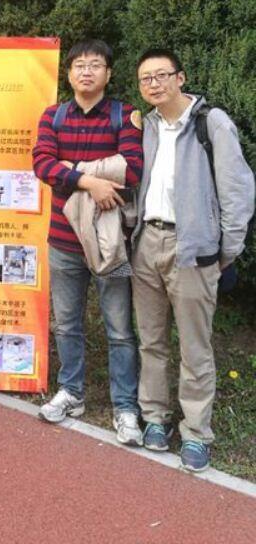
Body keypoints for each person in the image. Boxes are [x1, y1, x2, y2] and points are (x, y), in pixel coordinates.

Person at [131, 48, 254, 472]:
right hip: (146, 243)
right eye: (146, 78)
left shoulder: (211, 122)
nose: (154, 84)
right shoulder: (146, 125)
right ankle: (155, 416)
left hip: (193, 248)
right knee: (151, 340)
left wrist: (226, 249)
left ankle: (196, 432)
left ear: (180, 78)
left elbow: (237, 190)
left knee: (195, 346)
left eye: (161, 75)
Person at [32, 39, 144, 445]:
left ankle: (125, 406)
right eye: (79, 65)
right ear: (68, 74)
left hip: (110, 243)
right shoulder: (53, 115)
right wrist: (93, 181)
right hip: (63, 241)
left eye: (95, 65)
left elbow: (132, 170)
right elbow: (42, 164)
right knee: (67, 324)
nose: (86, 71)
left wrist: (72, 171)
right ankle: (72, 393)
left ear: (108, 73)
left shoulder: (124, 115)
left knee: (120, 329)